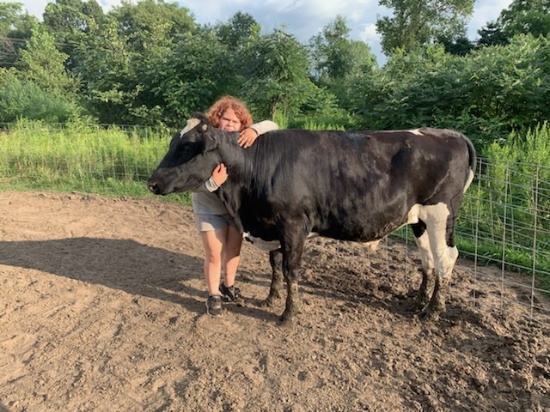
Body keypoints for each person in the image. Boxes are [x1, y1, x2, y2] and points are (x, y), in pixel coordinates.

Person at [192, 96, 278, 317]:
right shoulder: (205, 142)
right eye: (225, 119)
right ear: (217, 119)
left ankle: (228, 287)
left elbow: (274, 125)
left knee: (233, 251)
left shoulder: (243, 142)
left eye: (235, 122)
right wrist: (213, 183)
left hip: (235, 209)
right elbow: (188, 180)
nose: (229, 124)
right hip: (209, 207)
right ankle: (213, 297)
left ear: (242, 126)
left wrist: (255, 130)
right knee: (214, 254)